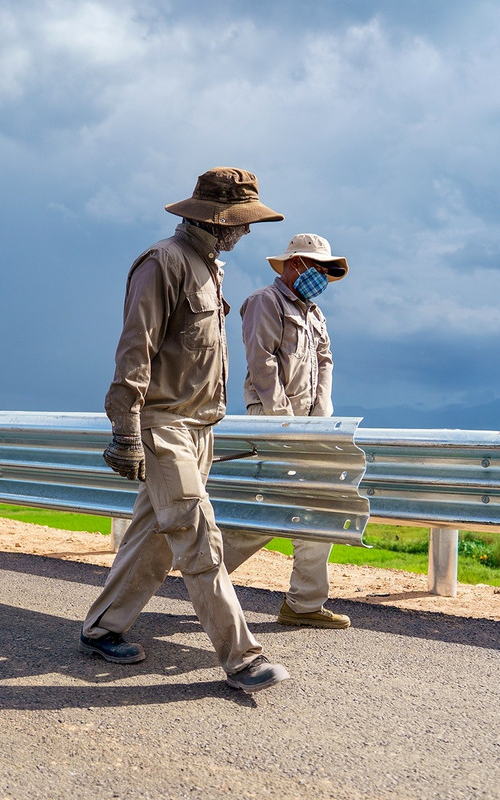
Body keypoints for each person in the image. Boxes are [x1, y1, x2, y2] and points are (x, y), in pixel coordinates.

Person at [81, 167, 291, 694]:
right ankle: (242, 658)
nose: (245, 233)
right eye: (241, 223)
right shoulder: (163, 264)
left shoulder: (209, 266)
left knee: (155, 537)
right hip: (164, 426)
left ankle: (102, 628)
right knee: (199, 537)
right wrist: (125, 429)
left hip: (199, 429)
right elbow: (136, 349)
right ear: (218, 219)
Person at [222, 233, 351, 628]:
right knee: (274, 509)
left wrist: (320, 414)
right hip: (274, 421)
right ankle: (201, 569)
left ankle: (304, 602)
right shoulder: (265, 302)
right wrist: (283, 420)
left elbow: (325, 359)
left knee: (312, 506)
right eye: (319, 267)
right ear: (295, 263)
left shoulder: (313, 313)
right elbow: (260, 361)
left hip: (307, 426)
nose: (325, 276)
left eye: (329, 270)